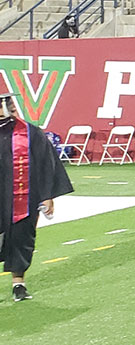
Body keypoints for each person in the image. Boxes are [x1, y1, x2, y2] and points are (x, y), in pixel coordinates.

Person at [0, 94, 73, 303]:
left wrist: (48, 194)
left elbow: (46, 163)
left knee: (22, 238)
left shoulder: (29, 133)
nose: (12, 112)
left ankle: (18, 284)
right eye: (8, 108)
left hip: (22, 197)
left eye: (12, 108)